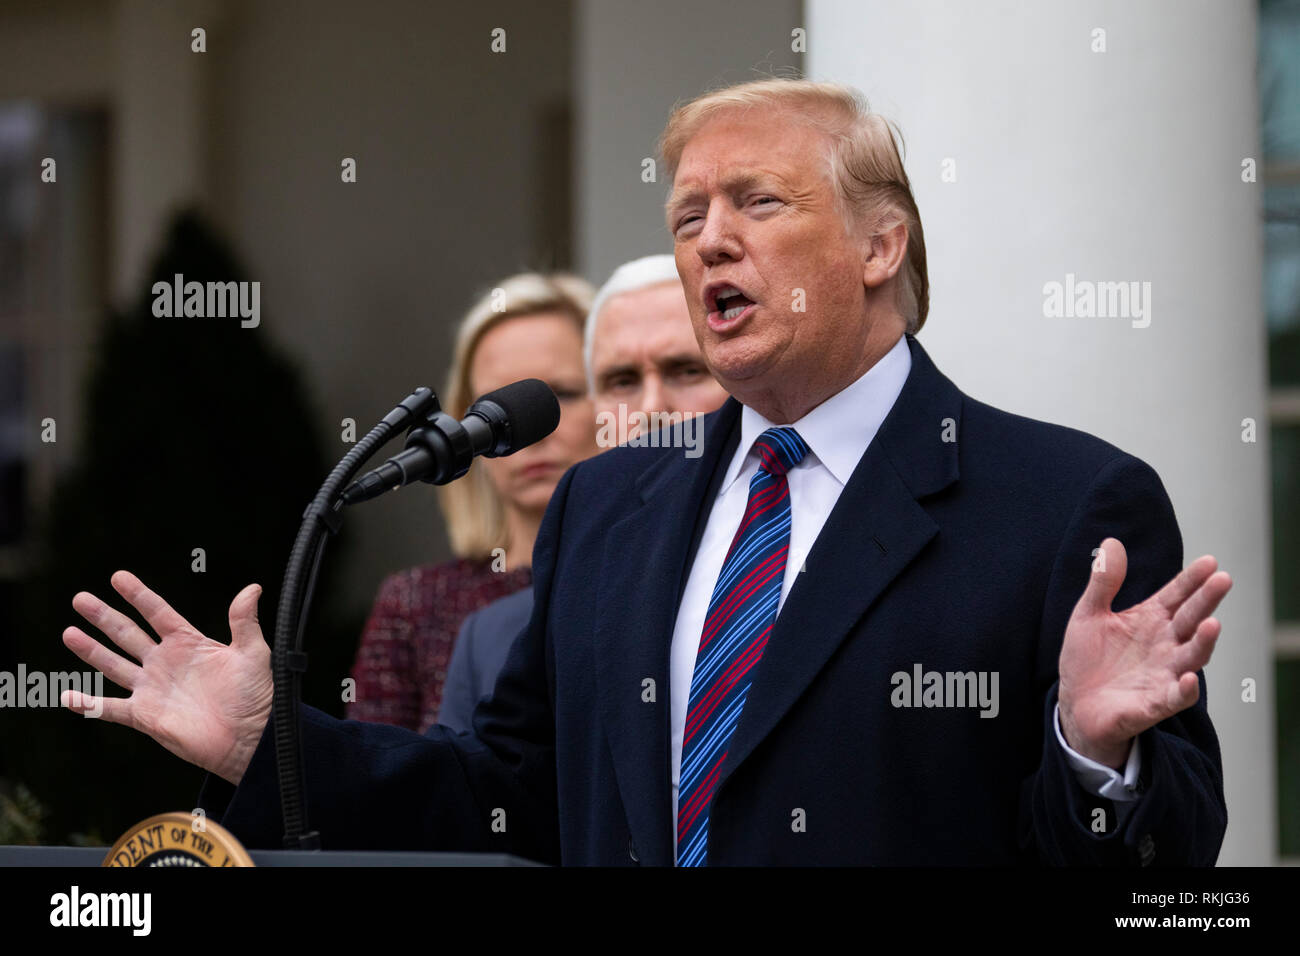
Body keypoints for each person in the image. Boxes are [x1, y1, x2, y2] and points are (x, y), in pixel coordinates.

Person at [59, 78, 1231, 866]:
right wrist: (274, 743)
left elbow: (1168, 861)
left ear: (881, 244)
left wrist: (1095, 755)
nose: (709, 238)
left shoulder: (1062, 506)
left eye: (757, 202)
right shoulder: (610, 504)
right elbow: (508, 796)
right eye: (687, 216)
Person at [438, 254, 728, 732]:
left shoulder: (787, 560)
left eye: (686, 370)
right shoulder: (501, 634)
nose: (651, 409)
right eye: (622, 381)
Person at [345, 273, 598, 732]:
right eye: (497, 410)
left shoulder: (651, 577)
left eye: (559, 394)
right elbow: (373, 772)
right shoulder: (413, 605)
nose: (530, 433)